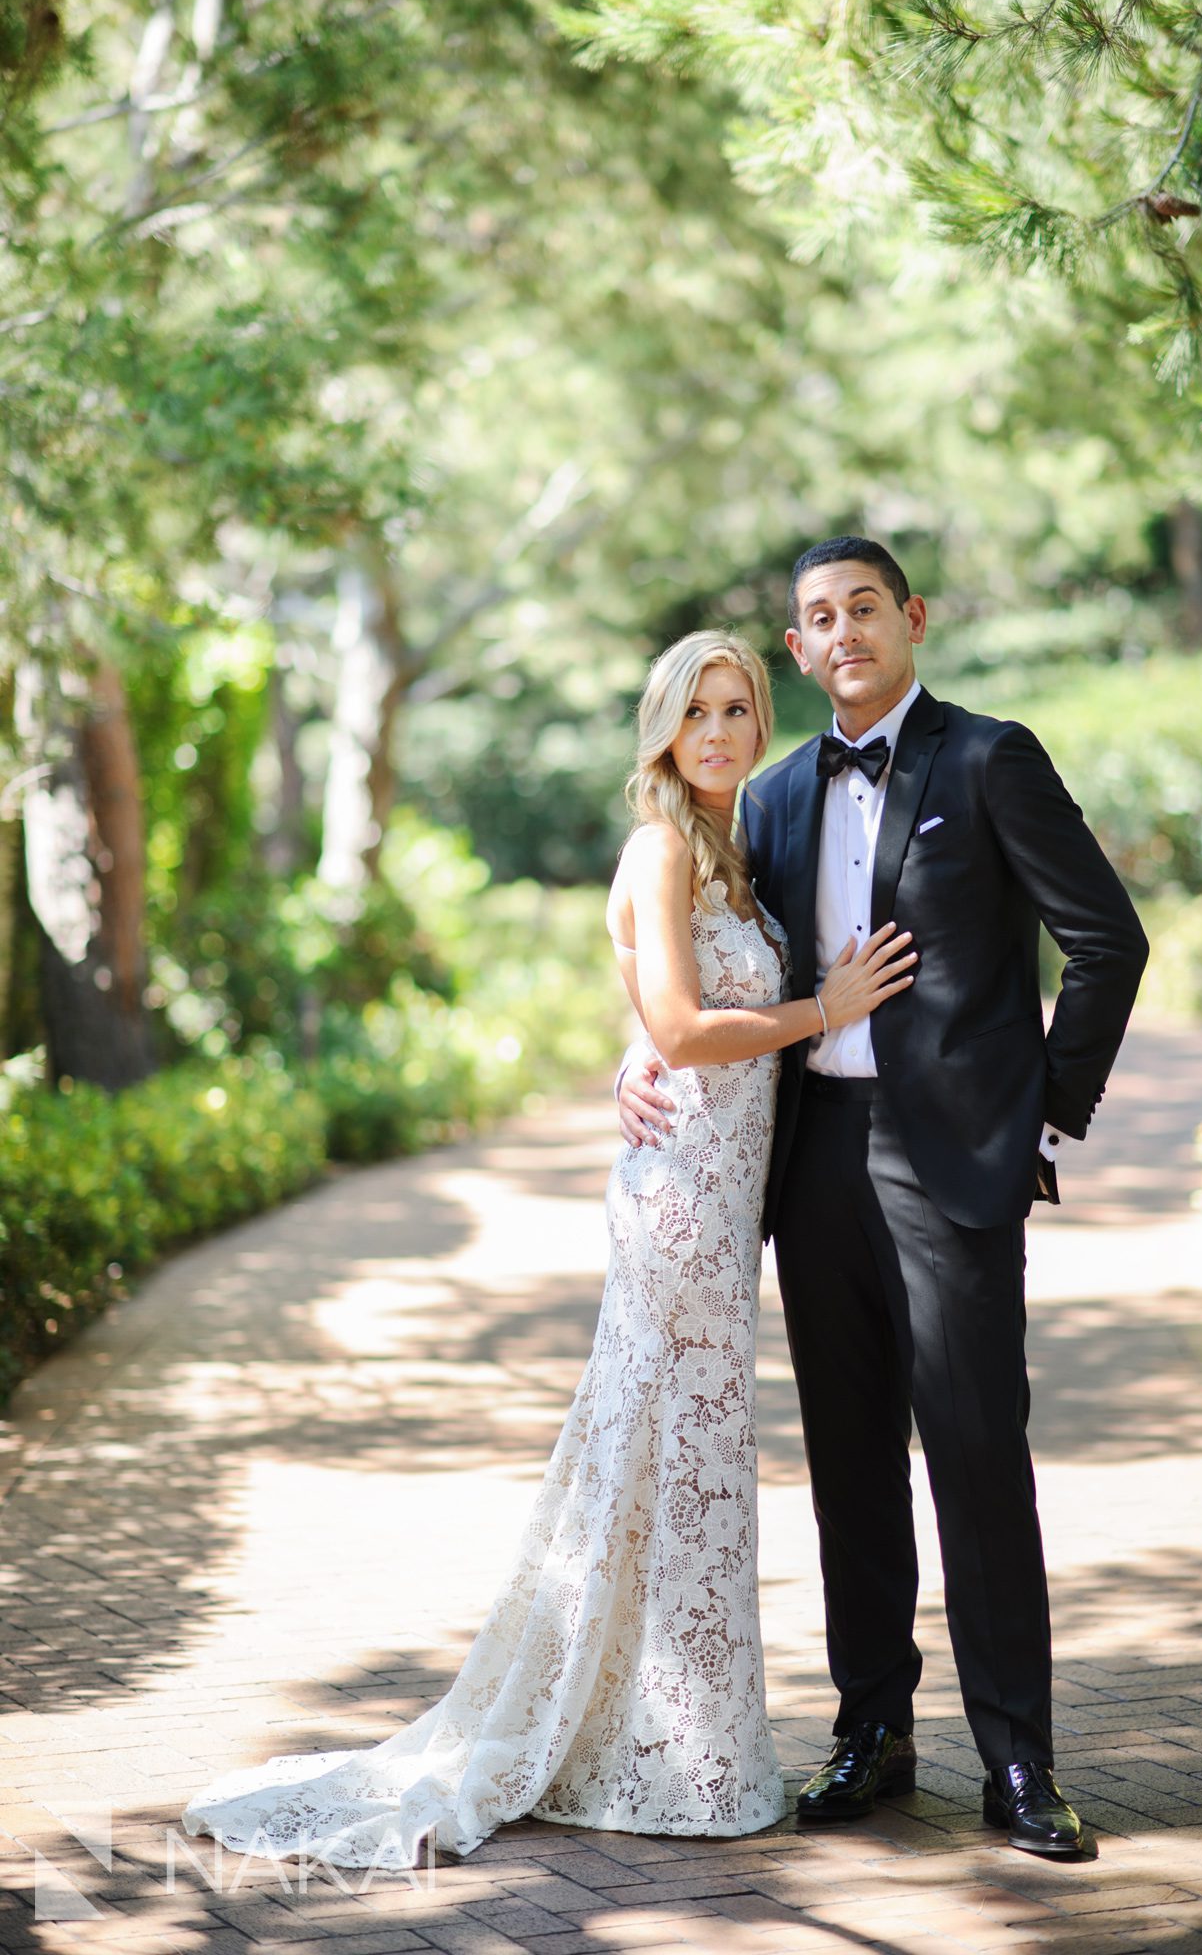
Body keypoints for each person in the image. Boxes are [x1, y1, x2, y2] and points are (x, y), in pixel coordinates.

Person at [180, 628, 917, 1871]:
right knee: (671, 1451)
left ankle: (664, 1732)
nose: (727, 732)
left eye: (740, 708)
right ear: (663, 733)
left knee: (682, 1459)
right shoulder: (658, 844)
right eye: (701, 713)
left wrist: (667, 1034)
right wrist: (818, 1011)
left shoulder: (728, 851)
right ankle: (671, 1753)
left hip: (721, 1192)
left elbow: (654, 1006)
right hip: (680, 1196)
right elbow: (682, 1029)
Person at [618, 539, 1149, 1859]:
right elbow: (704, 952)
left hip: (950, 1168)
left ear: (907, 620)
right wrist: (644, 1046)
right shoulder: (776, 792)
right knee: (849, 1467)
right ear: (795, 652)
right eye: (816, 617)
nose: (842, 630)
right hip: (809, 1166)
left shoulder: (987, 760)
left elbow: (1105, 941)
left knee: (974, 1458)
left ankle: (1018, 1765)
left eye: (864, 606)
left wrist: (1042, 1109)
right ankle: (870, 1734)